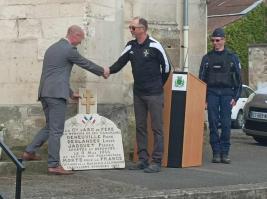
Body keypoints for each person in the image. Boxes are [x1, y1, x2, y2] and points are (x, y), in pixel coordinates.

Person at [22, 25, 110, 175]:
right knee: (57, 130)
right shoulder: (69, 50)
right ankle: (54, 165)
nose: (81, 43)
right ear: (74, 35)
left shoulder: (52, 48)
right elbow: (85, 63)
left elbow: (55, 74)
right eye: (81, 39)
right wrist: (103, 71)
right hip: (56, 95)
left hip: (45, 92)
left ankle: (29, 152)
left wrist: (69, 93)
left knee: (50, 126)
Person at [108, 17, 170, 173]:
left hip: (154, 93)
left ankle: (156, 161)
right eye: (130, 27)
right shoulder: (131, 46)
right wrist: (107, 71)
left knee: (157, 127)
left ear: (142, 29)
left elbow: (167, 68)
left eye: (133, 28)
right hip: (139, 93)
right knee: (140, 126)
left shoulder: (155, 45)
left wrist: (158, 85)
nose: (131, 30)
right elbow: (120, 62)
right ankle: (142, 159)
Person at [199, 27, 242, 164]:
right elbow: (201, 80)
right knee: (212, 123)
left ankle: (225, 152)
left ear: (224, 40)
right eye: (213, 40)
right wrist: (204, 99)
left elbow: (239, 80)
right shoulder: (207, 58)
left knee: (225, 124)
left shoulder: (232, 57)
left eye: (217, 40)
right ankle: (216, 152)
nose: (215, 43)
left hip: (226, 94)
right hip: (212, 93)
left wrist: (235, 97)